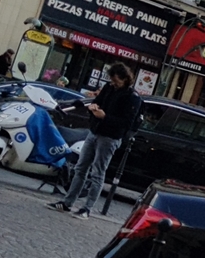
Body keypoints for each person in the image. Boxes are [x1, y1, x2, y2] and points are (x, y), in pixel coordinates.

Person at [48, 63, 141, 219]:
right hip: (94, 131)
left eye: (116, 80)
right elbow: (97, 101)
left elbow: (127, 122)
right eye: (111, 80)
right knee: (80, 168)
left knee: (98, 172)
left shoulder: (132, 97)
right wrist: (93, 108)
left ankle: (87, 208)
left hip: (110, 137)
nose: (113, 83)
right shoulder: (108, 88)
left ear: (125, 79)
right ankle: (67, 202)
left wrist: (104, 116)